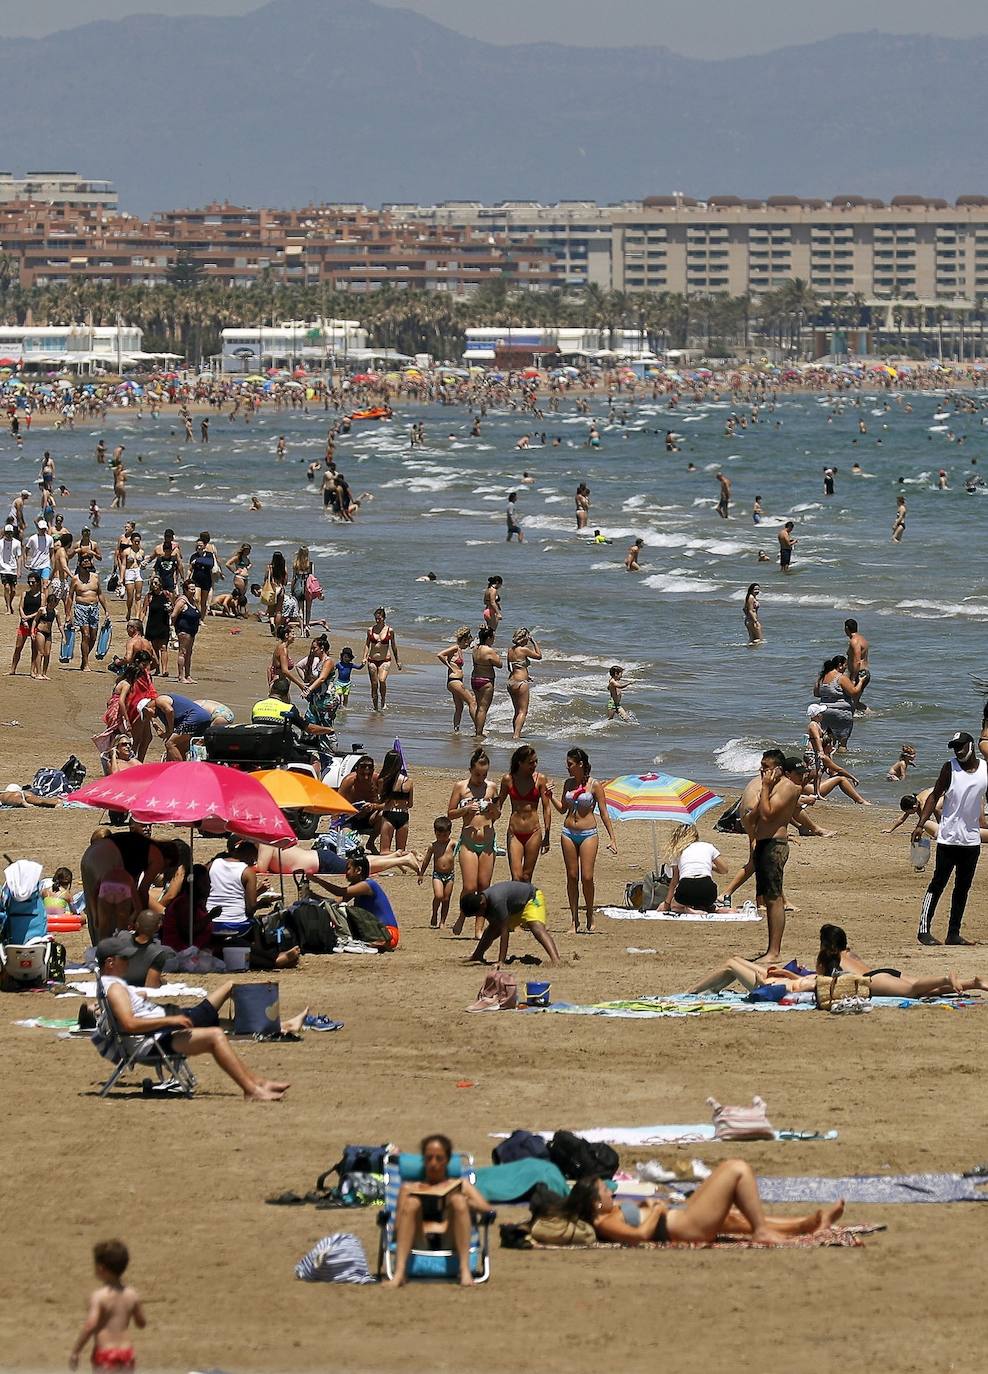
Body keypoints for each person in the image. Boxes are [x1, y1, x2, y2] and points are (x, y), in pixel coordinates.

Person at [94, 935, 290, 1101]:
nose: (129, 961)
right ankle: (252, 1089)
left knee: (215, 1029)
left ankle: (257, 1084)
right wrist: (170, 1021)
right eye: (125, 958)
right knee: (215, 1035)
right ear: (111, 962)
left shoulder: (110, 985)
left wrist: (138, 999)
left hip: (156, 1035)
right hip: (152, 1041)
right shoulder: (115, 988)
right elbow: (129, 1023)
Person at [559, 1162, 845, 1249]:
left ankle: (805, 1224)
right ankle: (762, 1231)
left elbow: (636, 1220)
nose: (610, 1192)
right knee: (736, 1169)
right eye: (604, 1192)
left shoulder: (611, 1212)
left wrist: (645, 1204)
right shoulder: (603, 1222)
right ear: (596, 1204)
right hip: (686, 1227)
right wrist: (656, 1211)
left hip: (683, 1220)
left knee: (733, 1216)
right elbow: (641, 1236)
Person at [387, 1133, 491, 1288]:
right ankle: (399, 1274)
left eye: (439, 1158)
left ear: (447, 1160)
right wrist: (412, 1206)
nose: (433, 1163)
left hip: (450, 1238)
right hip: (418, 1238)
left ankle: (464, 1271)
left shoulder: (460, 1184)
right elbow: (396, 1228)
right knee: (413, 1202)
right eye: (429, 1158)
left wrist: (463, 1201)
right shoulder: (408, 1188)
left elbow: (487, 1209)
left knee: (458, 1200)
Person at [914, 732, 986, 946]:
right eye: (955, 747)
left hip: (972, 840)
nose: (958, 750)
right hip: (948, 838)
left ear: (971, 746)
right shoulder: (949, 768)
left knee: (963, 887)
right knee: (938, 883)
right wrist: (920, 824)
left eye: (961, 746)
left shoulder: (985, 770)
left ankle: (953, 933)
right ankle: (923, 930)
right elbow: (935, 795)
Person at [550, 747, 618, 934]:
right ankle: (574, 920)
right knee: (572, 876)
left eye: (570, 765)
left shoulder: (595, 785)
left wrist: (612, 838)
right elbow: (563, 809)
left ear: (580, 764)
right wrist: (550, 798)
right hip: (568, 832)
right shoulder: (568, 783)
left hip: (588, 833)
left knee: (587, 877)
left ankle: (589, 914)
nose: (568, 768)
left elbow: (604, 812)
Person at [751, 754, 806, 961]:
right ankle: (770, 949)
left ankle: (774, 951)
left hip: (775, 844)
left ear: (779, 769)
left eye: (766, 767)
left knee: (774, 899)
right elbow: (753, 816)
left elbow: (767, 814)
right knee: (768, 898)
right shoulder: (773, 786)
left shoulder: (786, 787)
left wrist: (764, 788)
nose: (762, 770)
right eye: (761, 766)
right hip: (764, 843)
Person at [68, 1238, 146, 1371]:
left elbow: (90, 1325)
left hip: (106, 1354)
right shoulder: (132, 1294)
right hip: (127, 1354)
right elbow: (141, 1323)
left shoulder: (99, 1296)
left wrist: (76, 1351)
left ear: (100, 1268)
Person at [448, 748, 498, 937]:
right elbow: (450, 814)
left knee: (484, 885)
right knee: (470, 887)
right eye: (477, 774)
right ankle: (462, 915)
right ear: (470, 770)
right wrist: (466, 809)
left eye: (484, 774)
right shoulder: (460, 787)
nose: (481, 778)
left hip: (487, 842)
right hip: (468, 842)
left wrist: (493, 809)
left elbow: (498, 815)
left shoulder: (491, 787)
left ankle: (478, 928)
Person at [308, 853, 400, 949]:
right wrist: (313, 896)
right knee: (338, 909)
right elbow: (335, 902)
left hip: (388, 934)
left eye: (348, 869)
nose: (346, 873)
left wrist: (318, 880)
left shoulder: (368, 885)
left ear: (358, 870)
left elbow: (339, 892)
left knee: (348, 910)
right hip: (377, 931)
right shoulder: (356, 885)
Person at [462, 880, 561, 965]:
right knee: (491, 930)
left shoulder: (497, 900)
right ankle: (477, 955)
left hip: (531, 899)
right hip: (515, 909)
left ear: (482, 905)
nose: (479, 916)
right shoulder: (484, 901)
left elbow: (505, 932)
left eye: (478, 913)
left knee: (536, 927)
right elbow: (494, 927)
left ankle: (556, 960)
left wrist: (501, 961)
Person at [496, 745, 552, 883]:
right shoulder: (508, 779)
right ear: (520, 763)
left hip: (533, 832)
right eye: (531, 762)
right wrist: (489, 823)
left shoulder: (540, 779)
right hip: (514, 832)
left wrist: (547, 835)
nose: (535, 765)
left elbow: (547, 808)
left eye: (536, 761)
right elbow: (499, 804)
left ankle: (524, 904)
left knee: (526, 876)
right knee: (516, 877)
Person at [657, 823, 728, 913]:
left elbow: (674, 881)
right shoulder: (708, 846)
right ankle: (713, 909)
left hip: (686, 888)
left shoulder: (678, 851)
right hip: (707, 889)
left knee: (675, 906)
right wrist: (709, 865)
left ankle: (688, 909)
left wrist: (667, 904)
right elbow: (724, 870)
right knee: (706, 902)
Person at [207, 837, 263, 942]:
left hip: (210, 922)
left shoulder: (212, 865)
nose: (254, 862)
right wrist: (262, 903)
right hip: (237, 925)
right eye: (254, 858)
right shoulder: (248, 872)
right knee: (258, 925)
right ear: (249, 853)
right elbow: (250, 908)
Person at [65, 552, 109, 672]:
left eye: (88, 560)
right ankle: (85, 664)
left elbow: (99, 593)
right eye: (83, 560)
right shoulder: (75, 579)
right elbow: (70, 597)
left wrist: (106, 610)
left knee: (93, 637)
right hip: (81, 607)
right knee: (85, 635)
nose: (86, 561)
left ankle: (84, 659)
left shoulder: (95, 577)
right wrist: (68, 614)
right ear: (79, 563)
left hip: (94, 608)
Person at [814, 655, 865, 749]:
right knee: (842, 743)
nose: (846, 667)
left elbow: (816, 693)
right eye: (845, 665)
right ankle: (841, 760)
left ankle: (828, 760)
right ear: (840, 665)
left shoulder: (822, 677)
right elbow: (853, 692)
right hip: (841, 713)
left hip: (824, 713)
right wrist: (861, 682)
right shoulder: (841, 677)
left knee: (828, 743)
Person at [361, 607, 401, 712]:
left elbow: (393, 646)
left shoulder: (390, 630)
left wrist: (397, 661)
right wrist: (364, 657)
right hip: (372, 659)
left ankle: (383, 702)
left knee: (382, 680)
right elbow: (367, 644)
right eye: (376, 618)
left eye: (379, 618)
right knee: (374, 684)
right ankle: (375, 706)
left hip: (385, 660)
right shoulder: (370, 630)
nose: (377, 620)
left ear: (384, 618)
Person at [418, 816, 456, 927]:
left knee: (446, 898)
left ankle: (443, 921)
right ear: (435, 832)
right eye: (438, 835)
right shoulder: (433, 846)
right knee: (439, 896)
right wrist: (421, 874)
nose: (441, 838)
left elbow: (463, 848)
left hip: (450, 875)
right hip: (437, 875)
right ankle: (434, 913)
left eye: (444, 835)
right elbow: (426, 860)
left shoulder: (452, 844)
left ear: (449, 833)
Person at [437, 627, 476, 733]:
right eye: (467, 643)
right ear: (464, 640)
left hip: (456, 681)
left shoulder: (459, 650)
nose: (467, 646)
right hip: (454, 681)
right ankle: (479, 728)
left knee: (459, 707)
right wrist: (449, 666)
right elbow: (440, 654)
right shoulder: (455, 648)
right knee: (472, 702)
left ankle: (456, 730)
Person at [506, 627, 541, 740]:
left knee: (517, 711)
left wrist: (526, 675)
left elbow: (511, 667)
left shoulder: (510, 650)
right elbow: (539, 656)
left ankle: (515, 733)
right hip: (521, 683)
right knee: (523, 711)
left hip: (511, 681)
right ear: (525, 638)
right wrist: (534, 642)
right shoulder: (523, 649)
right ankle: (516, 735)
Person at [376, 748, 413, 853]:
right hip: (403, 815)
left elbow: (382, 802)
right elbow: (410, 804)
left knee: (384, 851)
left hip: (389, 814)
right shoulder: (409, 781)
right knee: (401, 850)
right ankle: (406, 862)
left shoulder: (382, 781)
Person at [9, 571, 43, 677]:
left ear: (38, 582)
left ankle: (32, 671)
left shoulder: (42, 596)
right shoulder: (25, 593)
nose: (31, 584)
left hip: (35, 623)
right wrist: (23, 618)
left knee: (34, 648)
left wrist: (28, 617)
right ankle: (12, 669)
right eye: (29, 582)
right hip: (24, 623)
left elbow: (41, 610)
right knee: (18, 647)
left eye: (33, 582)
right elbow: (20, 607)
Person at [470, 624, 501, 737]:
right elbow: (499, 664)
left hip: (475, 679)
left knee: (479, 707)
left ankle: (477, 730)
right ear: (488, 638)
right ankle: (479, 733)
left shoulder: (475, 648)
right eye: (493, 638)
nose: (493, 640)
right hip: (486, 680)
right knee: (483, 709)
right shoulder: (489, 651)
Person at [170, 578, 201, 685]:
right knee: (182, 652)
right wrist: (174, 627)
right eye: (191, 589)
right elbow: (174, 615)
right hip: (183, 630)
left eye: (194, 589)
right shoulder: (182, 601)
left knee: (189, 653)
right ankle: (181, 676)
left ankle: (188, 675)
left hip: (192, 630)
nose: (193, 591)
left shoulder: (193, 600)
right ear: (186, 590)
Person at [142, 576, 172, 676]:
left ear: (160, 584)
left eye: (155, 583)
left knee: (163, 647)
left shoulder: (166, 594)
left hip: (163, 623)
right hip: (152, 624)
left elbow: (173, 607)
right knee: (153, 648)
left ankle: (165, 670)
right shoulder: (149, 596)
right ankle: (157, 668)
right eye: (152, 583)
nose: (154, 585)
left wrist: (170, 610)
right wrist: (140, 623)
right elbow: (144, 610)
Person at [0, 521, 21, 613]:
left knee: (13, 591)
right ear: (4, 533)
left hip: (13, 568)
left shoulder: (17, 543)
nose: (9, 534)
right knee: (7, 587)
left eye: (10, 533)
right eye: (7, 533)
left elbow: (19, 557)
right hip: (3, 568)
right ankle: (8, 608)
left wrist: (19, 570)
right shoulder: (0, 543)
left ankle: (9, 603)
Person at [844, 618, 871, 689]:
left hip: (858, 674)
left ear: (846, 628)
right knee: (854, 698)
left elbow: (857, 660)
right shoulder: (862, 639)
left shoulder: (855, 641)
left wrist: (853, 678)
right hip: (863, 672)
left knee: (851, 698)